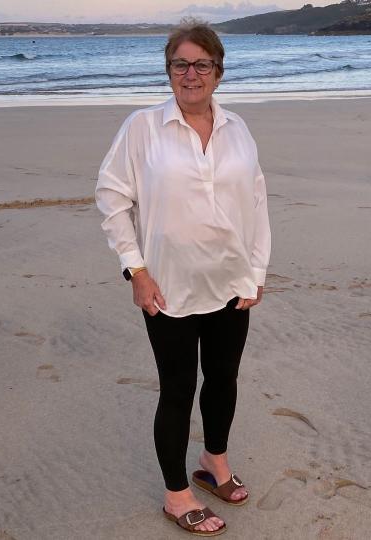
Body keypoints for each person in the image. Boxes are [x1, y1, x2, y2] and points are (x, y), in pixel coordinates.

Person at [95, 20, 271, 536]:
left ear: (218, 72)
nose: (190, 74)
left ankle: (214, 462)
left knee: (223, 380)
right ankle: (176, 494)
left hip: (230, 282)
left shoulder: (238, 128)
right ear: (168, 70)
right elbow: (112, 198)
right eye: (180, 64)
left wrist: (255, 270)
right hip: (168, 287)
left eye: (202, 64)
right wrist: (136, 270)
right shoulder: (142, 127)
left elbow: (257, 203)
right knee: (178, 389)